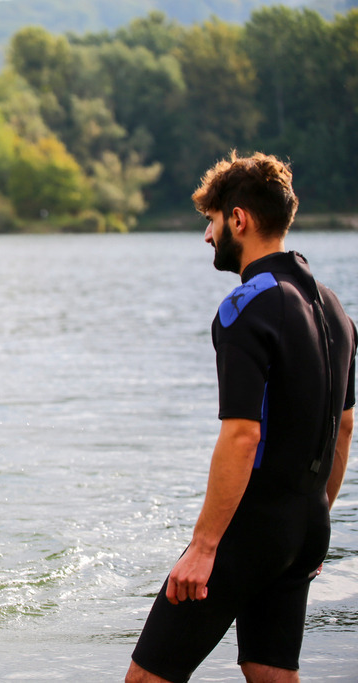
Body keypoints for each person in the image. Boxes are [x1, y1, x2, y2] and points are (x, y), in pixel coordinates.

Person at [126, 152, 356, 682]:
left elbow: (242, 436)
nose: (207, 237)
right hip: (307, 526)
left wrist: (204, 548)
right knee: (270, 674)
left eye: (210, 221)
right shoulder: (336, 310)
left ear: (238, 219)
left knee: (146, 680)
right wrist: (309, 521)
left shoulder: (245, 306)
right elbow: (344, 427)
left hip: (248, 530)